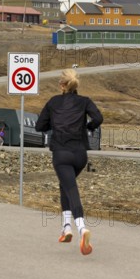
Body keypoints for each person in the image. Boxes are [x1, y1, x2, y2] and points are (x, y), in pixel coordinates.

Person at [35, 68, 103, 256]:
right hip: (80, 154)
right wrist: (88, 126)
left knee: (70, 188)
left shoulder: (53, 102)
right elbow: (98, 118)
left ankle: (81, 228)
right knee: (65, 185)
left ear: (62, 86)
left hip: (61, 153)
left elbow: (39, 125)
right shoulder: (85, 101)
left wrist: (54, 125)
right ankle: (66, 228)